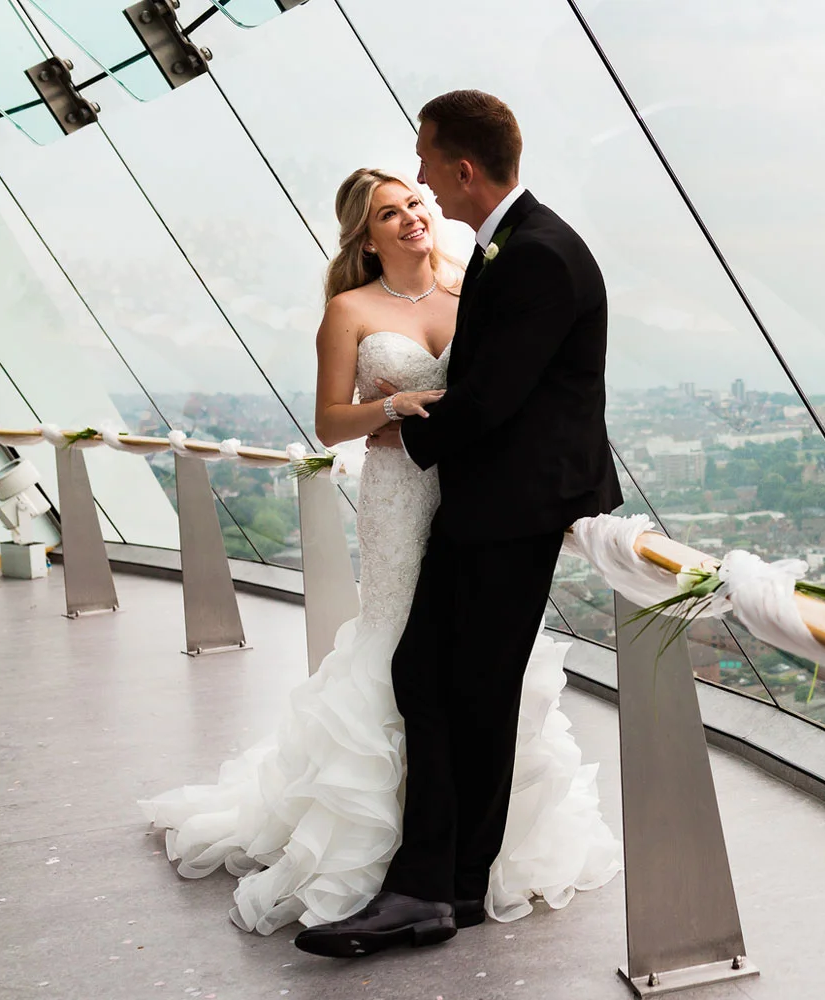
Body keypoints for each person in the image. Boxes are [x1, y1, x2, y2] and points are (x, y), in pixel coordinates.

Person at [140, 145, 620, 946]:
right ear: (366, 239)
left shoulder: (483, 284)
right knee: (412, 668)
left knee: (463, 683)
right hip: (406, 497)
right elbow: (332, 423)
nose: (413, 212)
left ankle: (449, 880)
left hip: (477, 499)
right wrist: (397, 407)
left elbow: (504, 392)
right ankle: (420, 872)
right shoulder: (354, 309)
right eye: (391, 211)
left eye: (416, 199)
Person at [290, 90, 625, 958]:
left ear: (463, 167)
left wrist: (400, 425)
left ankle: (430, 891)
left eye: (427, 163)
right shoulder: (507, 247)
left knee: (451, 689)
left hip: (509, 510)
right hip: (488, 507)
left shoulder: (535, 255)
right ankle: (445, 889)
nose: (425, 186)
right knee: (445, 685)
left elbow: (485, 402)